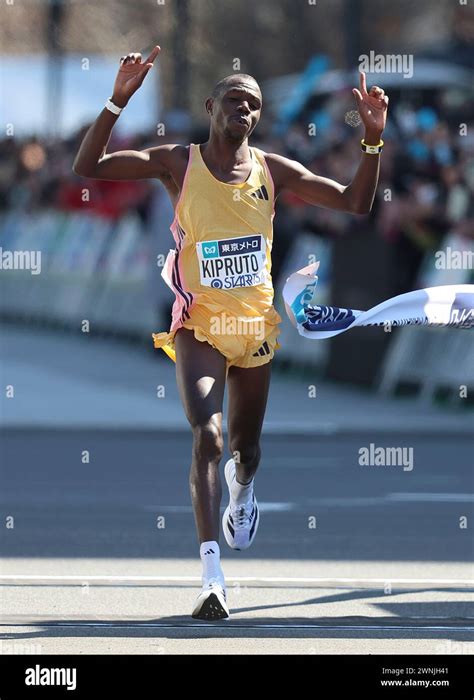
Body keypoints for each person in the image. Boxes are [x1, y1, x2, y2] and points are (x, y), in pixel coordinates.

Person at [73, 45, 389, 620]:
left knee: (245, 451)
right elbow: (88, 167)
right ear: (211, 105)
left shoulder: (273, 171)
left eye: (253, 105)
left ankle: (242, 492)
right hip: (199, 325)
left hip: (255, 328)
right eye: (234, 101)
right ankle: (211, 576)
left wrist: (372, 139)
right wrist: (117, 100)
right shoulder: (177, 162)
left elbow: (356, 202)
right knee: (208, 438)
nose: (243, 110)